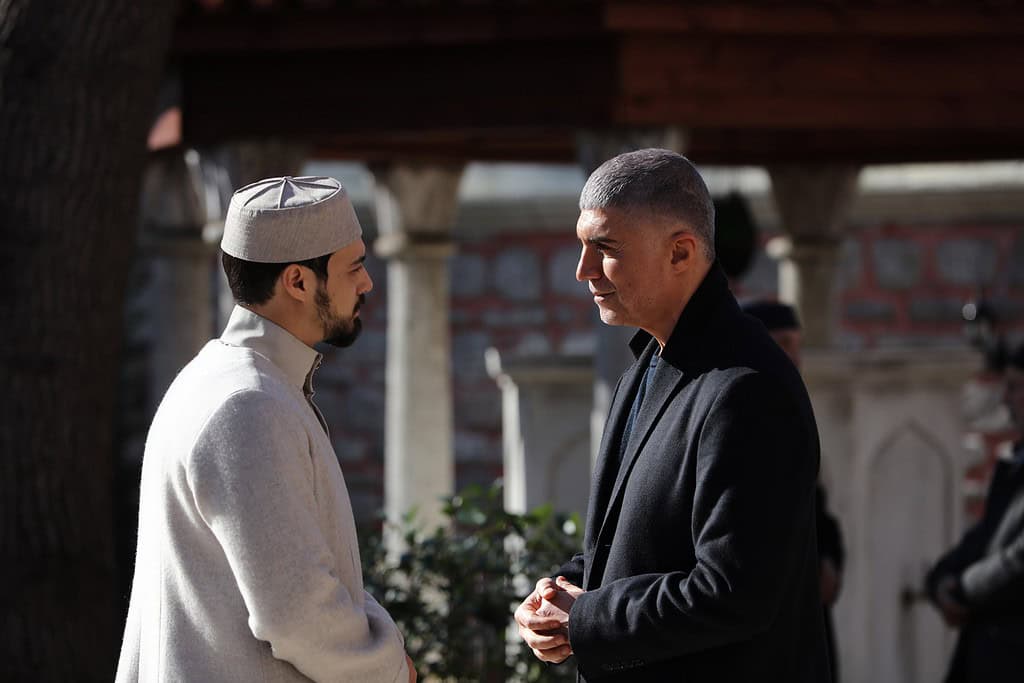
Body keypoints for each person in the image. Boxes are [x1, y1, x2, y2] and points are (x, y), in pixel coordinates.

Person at [514, 149, 830, 682]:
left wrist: (586, 620)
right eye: (582, 246)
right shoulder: (648, 365)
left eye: (604, 248)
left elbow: (735, 593)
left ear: (680, 252)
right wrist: (559, 593)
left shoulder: (747, 389)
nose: (583, 271)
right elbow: (631, 546)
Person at [117, 176, 414, 683]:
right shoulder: (248, 404)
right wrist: (389, 668)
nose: (366, 283)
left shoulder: (222, 381)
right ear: (297, 281)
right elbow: (297, 613)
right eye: (354, 267)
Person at [742, 300, 846, 683]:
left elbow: (817, 511)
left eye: (797, 345)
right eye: (784, 343)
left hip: (805, 611)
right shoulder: (737, 411)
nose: (794, 357)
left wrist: (830, 560)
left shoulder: (792, 409)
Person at [925, 342, 1024, 683]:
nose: (1007, 400)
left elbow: (1016, 560)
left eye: (1016, 387)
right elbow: (985, 538)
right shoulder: (1013, 463)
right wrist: (941, 580)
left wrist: (964, 589)